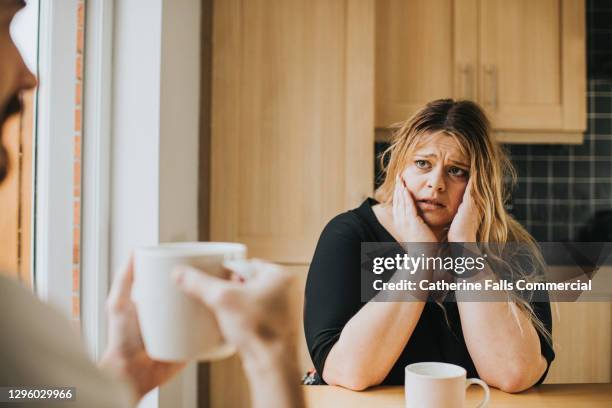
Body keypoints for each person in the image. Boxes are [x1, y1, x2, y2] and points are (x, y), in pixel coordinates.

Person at [0, 1, 304, 407]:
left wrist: (119, 378)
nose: (30, 75)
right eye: (5, 25)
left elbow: (28, 397)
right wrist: (271, 351)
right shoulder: (10, 329)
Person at [304, 99, 555, 393]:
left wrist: (465, 248)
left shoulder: (513, 247)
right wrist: (421, 256)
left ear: (480, 181)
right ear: (400, 166)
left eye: (457, 171)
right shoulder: (348, 235)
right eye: (423, 163)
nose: (435, 184)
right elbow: (350, 373)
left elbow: (514, 374)